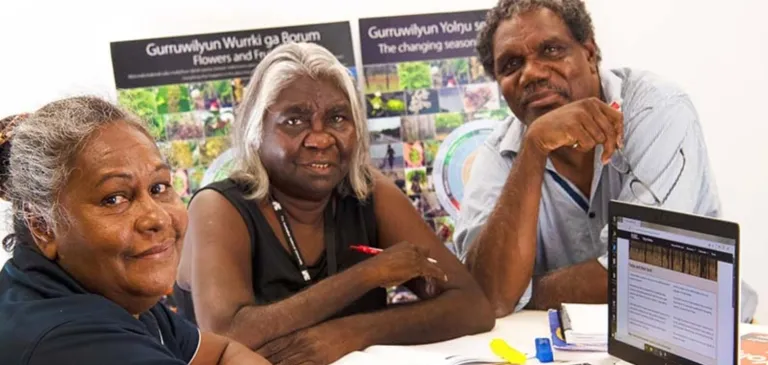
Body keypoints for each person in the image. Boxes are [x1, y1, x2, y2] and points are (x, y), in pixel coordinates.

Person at [176, 42, 494, 365]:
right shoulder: (219, 207)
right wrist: (367, 275)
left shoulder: (368, 194)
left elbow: (472, 306)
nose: (320, 138)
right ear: (255, 132)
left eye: (337, 118)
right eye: (294, 121)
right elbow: (227, 334)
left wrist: (351, 333)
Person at [455, 0, 758, 320]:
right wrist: (534, 149)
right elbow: (489, 293)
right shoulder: (500, 153)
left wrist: (525, 292)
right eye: (512, 64)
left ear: (589, 54)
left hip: (697, 334)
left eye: (552, 50)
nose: (531, 73)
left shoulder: (656, 109)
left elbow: (645, 271)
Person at [0, 96, 269, 365]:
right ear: (43, 226)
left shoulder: (110, 293)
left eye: (159, 188)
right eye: (114, 199)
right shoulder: (70, 342)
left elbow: (221, 353)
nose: (157, 218)